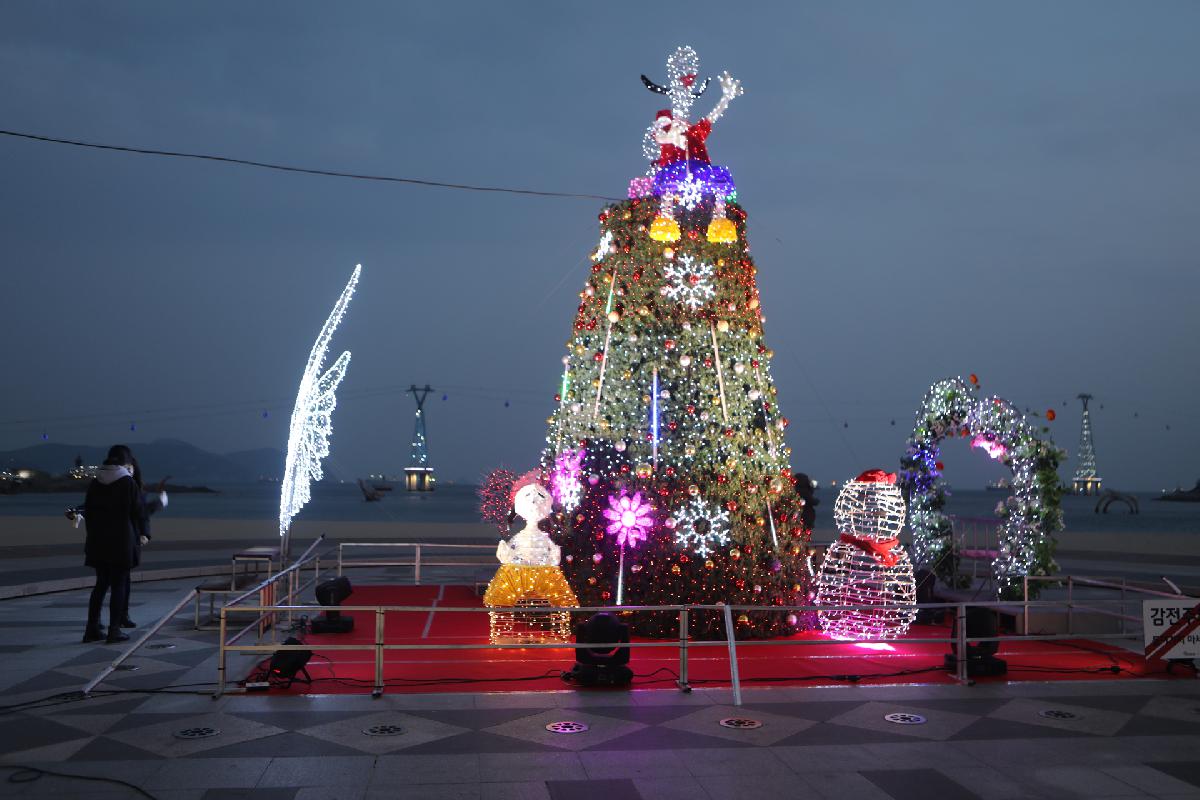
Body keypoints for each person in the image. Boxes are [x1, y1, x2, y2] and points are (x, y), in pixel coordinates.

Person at [82, 444, 148, 644]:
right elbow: (138, 512)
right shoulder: (127, 482)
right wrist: (143, 533)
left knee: (100, 585)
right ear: (126, 462)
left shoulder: (95, 482)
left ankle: (91, 628)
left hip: (97, 540)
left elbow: (88, 512)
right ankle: (114, 629)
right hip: (121, 541)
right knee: (119, 584)